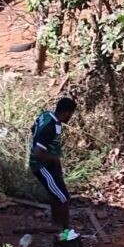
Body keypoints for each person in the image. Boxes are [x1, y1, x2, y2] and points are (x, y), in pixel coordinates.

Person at [29, 97, 77, 230]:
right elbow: (39, 153)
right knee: (64, 198)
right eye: (71, 114)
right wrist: (54, 158)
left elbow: (33, 128)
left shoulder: (47, 115)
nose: (70, 117)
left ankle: (56, 223)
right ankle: (66, 231)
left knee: (55, 193)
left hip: (48, 163)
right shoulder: (50, 127)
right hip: (41, 165)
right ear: (67, 112)